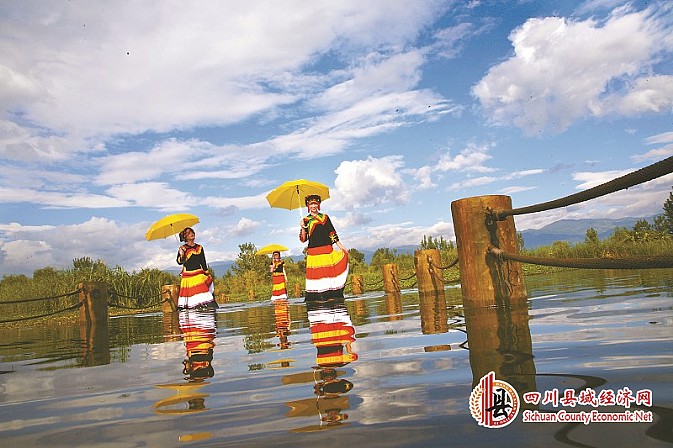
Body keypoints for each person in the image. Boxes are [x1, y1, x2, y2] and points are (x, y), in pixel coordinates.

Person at [298, 194, 349, 301]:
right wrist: (302, 227)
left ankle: (332, 296)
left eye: (315, 204)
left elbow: (332, 232)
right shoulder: (306, 220)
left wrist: (340, 246)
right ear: (308, 206)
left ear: (318, 205)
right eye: (311, 204)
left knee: (328, 273)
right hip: (314, 252)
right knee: (317, 275)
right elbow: (303, 239)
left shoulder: (325, 217)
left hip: (327, 250)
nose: (313, 206)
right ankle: (318, 298)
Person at [176, 227, 217, 309]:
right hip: (188, 276)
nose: (192, 234)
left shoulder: (199, 247)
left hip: (199, 274)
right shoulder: (182, 248)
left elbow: (203, 262)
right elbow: (180, 262)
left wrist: (207, 274)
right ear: (185, 237)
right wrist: (182, 254)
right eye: (189, 233)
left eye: (192, 232)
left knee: (205, 295)